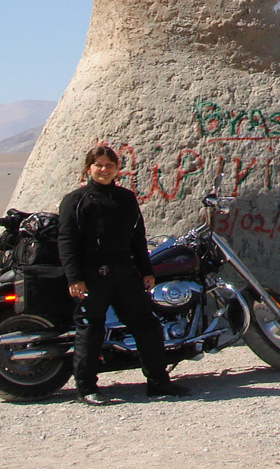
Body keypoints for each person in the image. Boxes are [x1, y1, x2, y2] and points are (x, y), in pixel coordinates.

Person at [58, 144, 184, 403]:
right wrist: (74, 278)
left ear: (117, 169)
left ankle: (158, 382)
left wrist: (145, 271)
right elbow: (66, 242)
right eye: (99, 165)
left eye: (109, 165)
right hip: (92, 274)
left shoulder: (126, 198)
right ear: (88, 168)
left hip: (125, 271)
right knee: (90, 328)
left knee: (147, 324)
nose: (104, 170)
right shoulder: (75, 200)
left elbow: (137, 238)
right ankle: (87, 388)